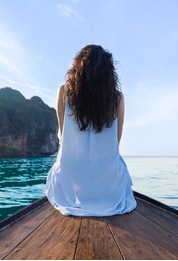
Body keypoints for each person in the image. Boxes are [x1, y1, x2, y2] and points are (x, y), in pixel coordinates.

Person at [45, 44, 137, 216]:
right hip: (108, 184)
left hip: (72, 180)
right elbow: (116, 142)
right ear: (109, 73)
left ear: (77, 67)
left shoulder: (64, 92)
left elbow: (63, 136)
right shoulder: (117, 98)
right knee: (121, 164)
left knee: (57, 169)